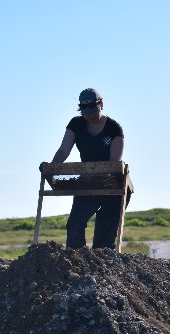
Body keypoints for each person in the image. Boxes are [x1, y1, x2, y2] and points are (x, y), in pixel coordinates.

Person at [40, 87, 129, 249]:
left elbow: (114, 162)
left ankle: (102, 263)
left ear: (101, 104)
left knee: (104, 230)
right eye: (86, 113)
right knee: (75, 223)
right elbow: (63, 150)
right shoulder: (76, 124)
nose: (90, 116)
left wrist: (102, 178)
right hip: (87, 182)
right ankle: (76, 261)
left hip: (112, 183)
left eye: (93, 112)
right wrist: (52, 167)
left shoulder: (114, 128)